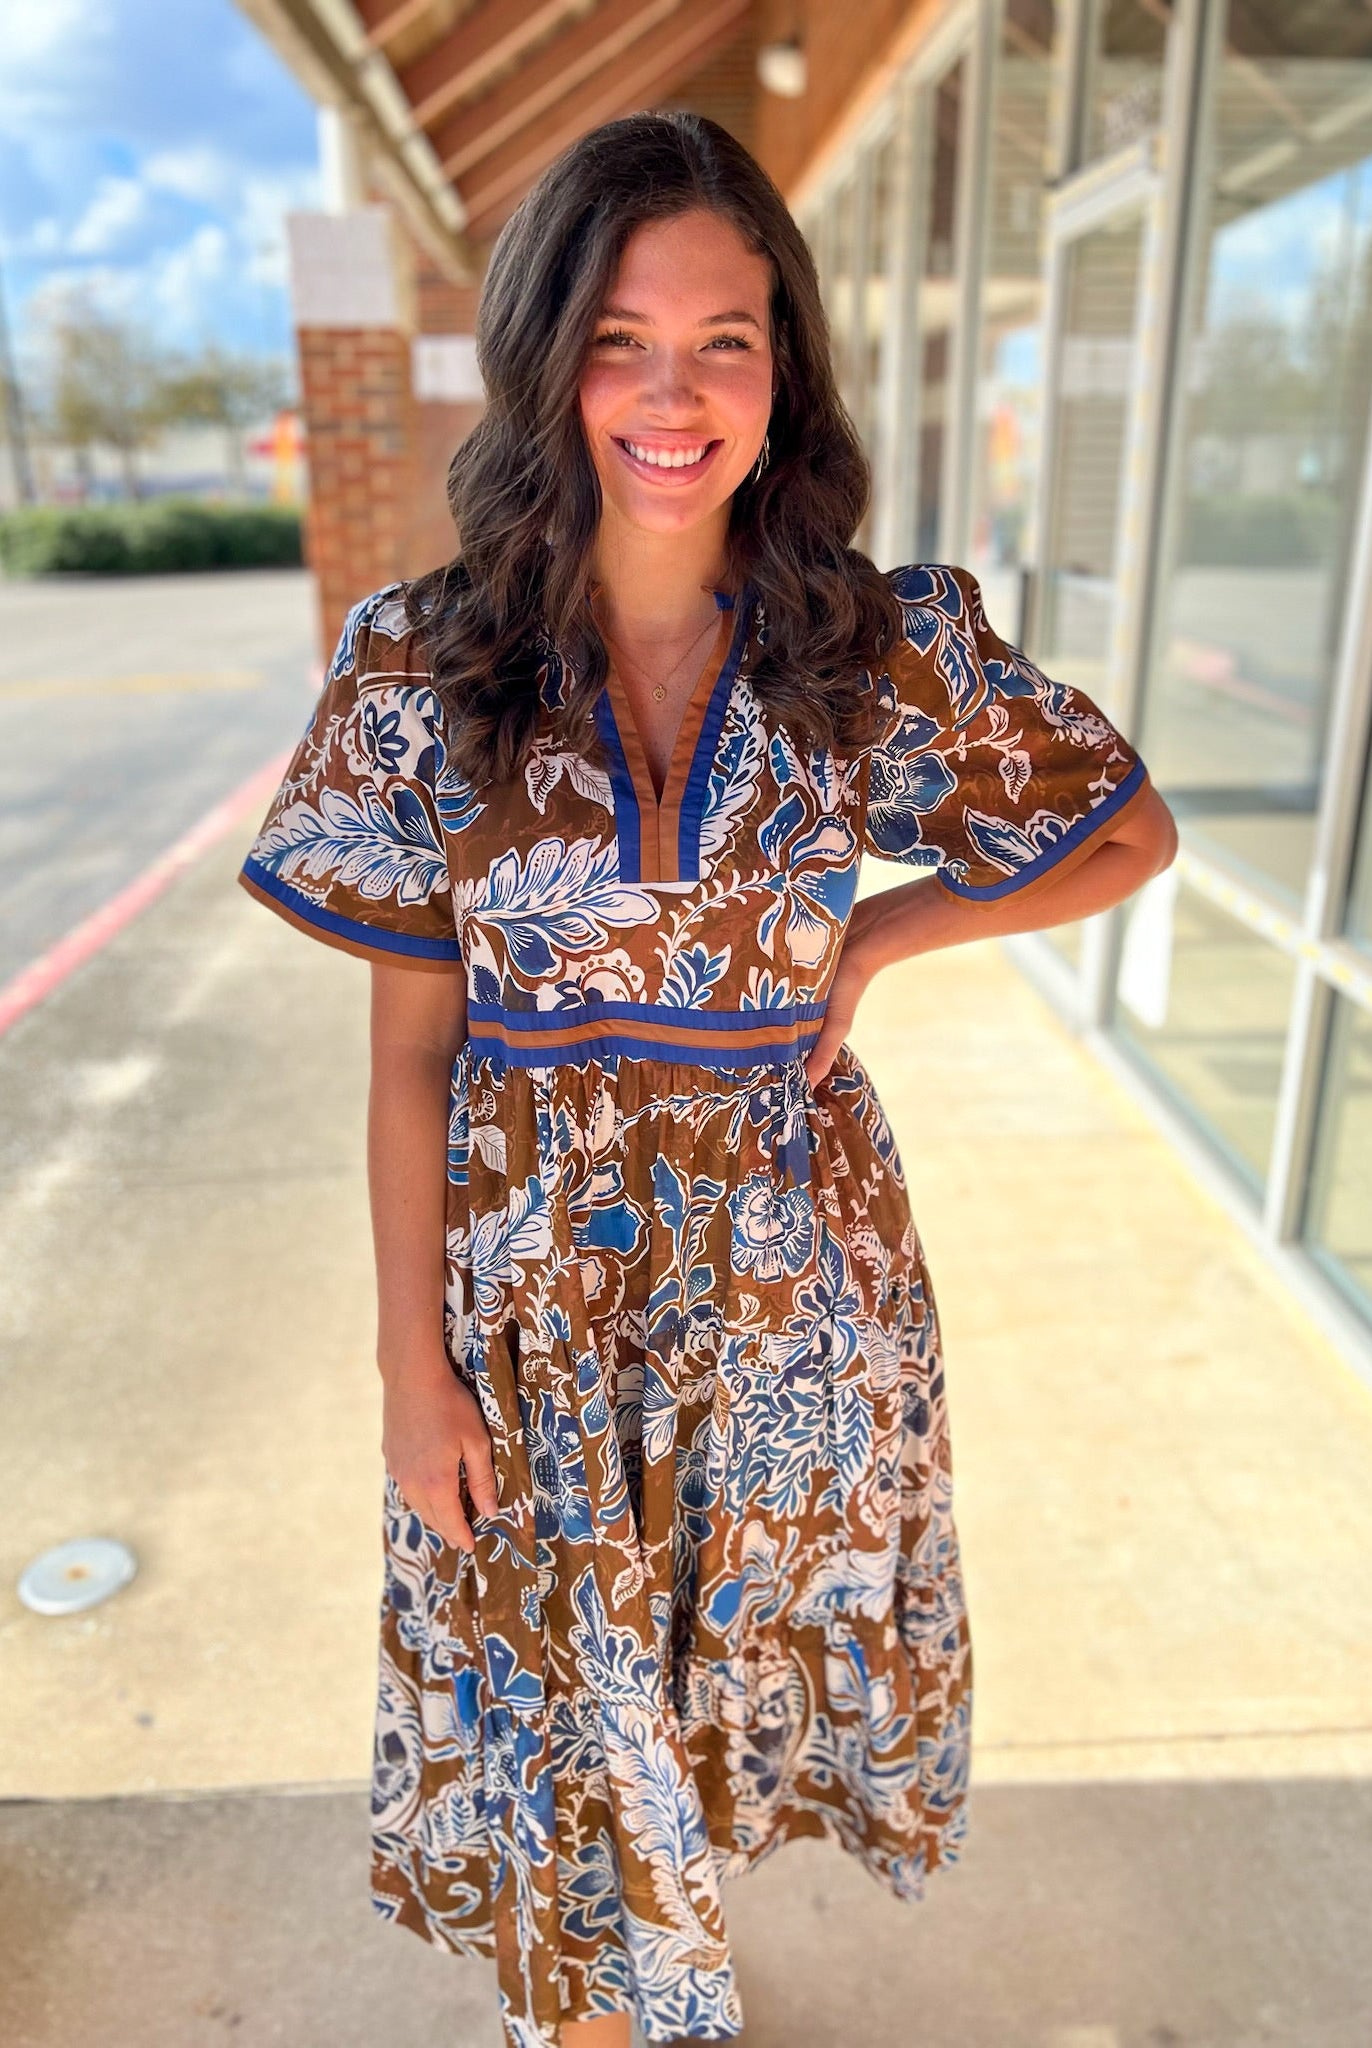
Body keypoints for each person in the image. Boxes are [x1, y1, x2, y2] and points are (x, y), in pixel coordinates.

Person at [237, 110, 1176, 2048]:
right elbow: (409, 1057)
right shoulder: (422, 667)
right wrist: (410, 1367)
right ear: (545, 359)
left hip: (789, 1286)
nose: (673, 397)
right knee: (562, 1716)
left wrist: (880, 933)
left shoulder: (874, 645)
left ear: (782, 367)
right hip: (534, 1306)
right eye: (619, 342)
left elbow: (1124, 835)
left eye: (722, 341)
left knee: (707, 1695)